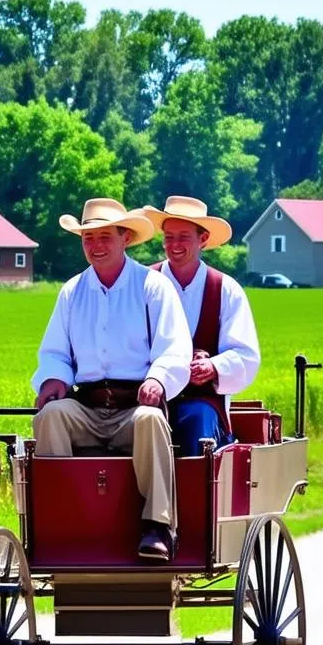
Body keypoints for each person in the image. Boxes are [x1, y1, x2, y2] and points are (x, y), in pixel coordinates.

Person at [32, 198, 192, 561]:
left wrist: (159, 380)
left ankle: (158, 527)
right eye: (88, 238)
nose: (96, 246)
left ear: (125, 238)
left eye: (105, 237)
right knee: (50, 417)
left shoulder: (152, 286)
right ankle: (61, 520)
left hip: (135, 408)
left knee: (152, 420)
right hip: (86, 407)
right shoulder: (72, 292)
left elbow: (175, 349)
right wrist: (53, 379)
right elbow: (54, 351)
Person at [141, 196, 261, 457]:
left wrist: (213, 367)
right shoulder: (143, 283)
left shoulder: (225, 289)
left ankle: (197, 493)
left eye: (183, 236)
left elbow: (246, 355)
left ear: (203, 239)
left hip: (200, 401)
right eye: (169, 237)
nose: (174, 245)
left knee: (197, 419)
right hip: (147, 397)